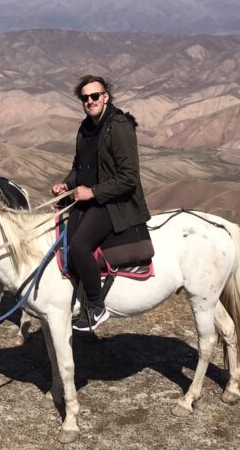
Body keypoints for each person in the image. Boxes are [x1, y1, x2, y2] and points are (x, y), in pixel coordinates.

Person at [51, 75, 150, 332]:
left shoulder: (119, 126)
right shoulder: (85, 128)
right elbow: (79, 167)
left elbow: (129, 178)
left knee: (80, 246)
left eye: (95, 96)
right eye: (85, 98)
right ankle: (76, 300)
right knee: (64, 245)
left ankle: (96, 306)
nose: (90, 101)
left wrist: (92, 193)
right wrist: (66, 184)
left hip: (116, 203)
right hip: (90, 199)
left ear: (106, 96)